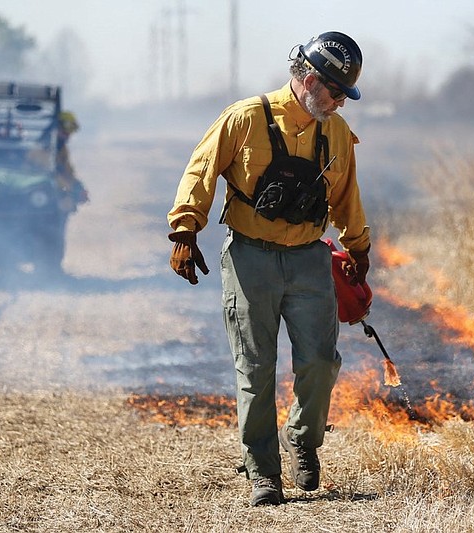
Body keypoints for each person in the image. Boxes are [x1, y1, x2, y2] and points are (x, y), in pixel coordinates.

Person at [167, 31, 371, 506]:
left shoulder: (336, 133)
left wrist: (357, 249)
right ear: (309, 79)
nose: (341, 102)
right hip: (250, 258)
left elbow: (347, 198)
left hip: (308, 260)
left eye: (345, 94)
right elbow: (202, 168)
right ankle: (262, 472)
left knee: (321, 361)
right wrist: (184, 229)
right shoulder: (246, 118)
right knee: (256, 367)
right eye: (337, 91)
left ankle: (300, 438)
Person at [54, 111, 89, 211]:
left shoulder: (62, 149)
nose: (67, 137)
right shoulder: (40, 148)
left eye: (69, 133)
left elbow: (68, 171)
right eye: (65, 133)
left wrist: (78, 187)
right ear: (56, 128)